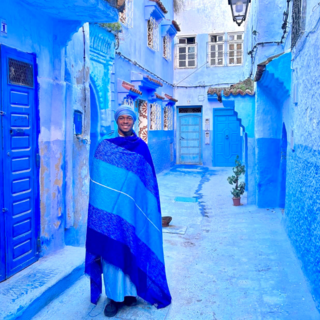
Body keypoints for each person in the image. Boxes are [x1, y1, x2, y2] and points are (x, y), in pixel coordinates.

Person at [85, 105, 171, 317]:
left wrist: (140, 205)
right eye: (121, 118)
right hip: (109, 213)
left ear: (133, 121)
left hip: (132, 211)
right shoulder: (105, 146)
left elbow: (147, 183)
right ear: (117, 121)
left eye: (128, 118)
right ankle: (114, 298)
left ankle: (130, 293)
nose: (125, 121)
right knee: (111, 250)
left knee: (132, 247)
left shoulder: (141, 147)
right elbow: (99, 180)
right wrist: (104, 208)